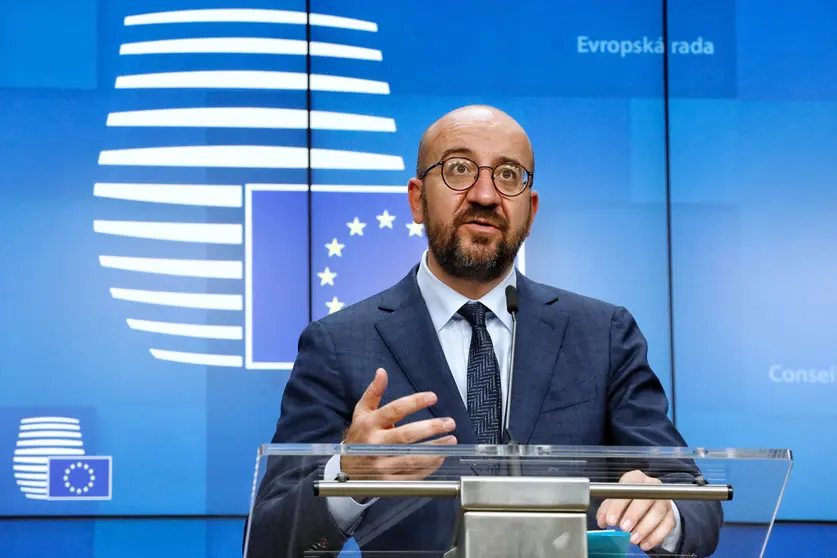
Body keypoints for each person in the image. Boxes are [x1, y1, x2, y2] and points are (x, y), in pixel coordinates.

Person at [245, 105, 723, 557]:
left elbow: (696, 502)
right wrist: (347, 474)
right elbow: (269, 537)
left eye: (508, 175)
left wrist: (668, 508)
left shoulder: (602, 333)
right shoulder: (338, 342)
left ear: (530, 211)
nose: (485, 195)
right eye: (459, 169)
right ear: (416, 199)